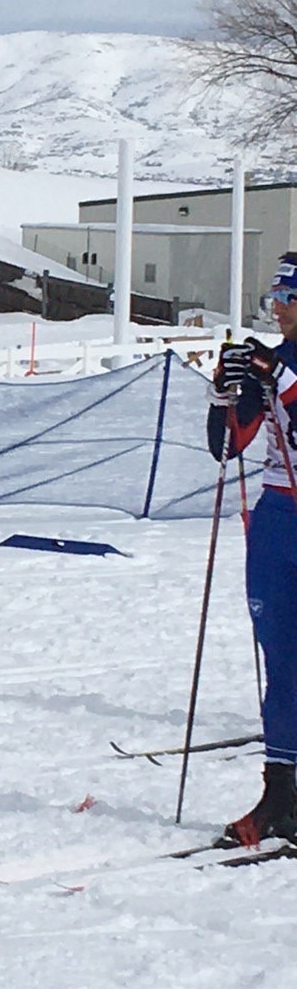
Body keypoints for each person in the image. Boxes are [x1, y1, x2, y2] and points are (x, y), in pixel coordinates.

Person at [208, 250, 297, 846]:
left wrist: (279, 381)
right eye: (274, 299)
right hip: (275, 516)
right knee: (282, 658)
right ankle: (281, 797)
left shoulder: (283, 369)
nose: (279, 310)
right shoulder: (277, 361)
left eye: (287, 298)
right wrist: (226, 392)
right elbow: (227, 448)